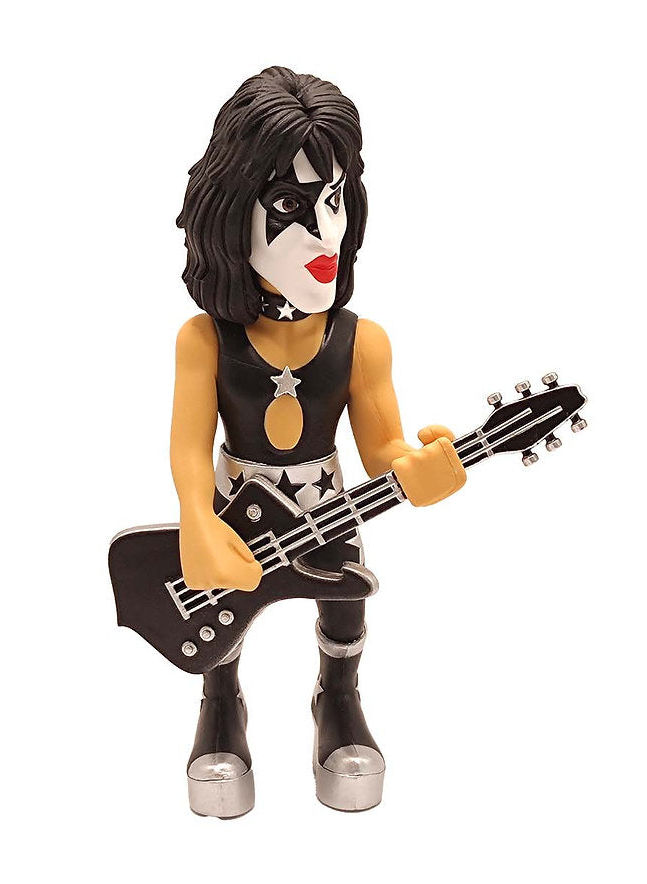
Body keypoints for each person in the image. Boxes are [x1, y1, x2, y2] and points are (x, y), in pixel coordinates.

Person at [171, 66, 466, 817]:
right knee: (220, 612)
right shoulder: (205, 341)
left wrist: (419, 468)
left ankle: (338, 696)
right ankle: (220, 702)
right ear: (230, 212)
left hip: (328, 508)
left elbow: (384, 448)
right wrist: (197, 520)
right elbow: (188, 446)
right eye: (290, 205)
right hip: (235, 508)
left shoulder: (362, 343)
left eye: (332, 200)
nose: (323, 231)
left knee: (345, 600)